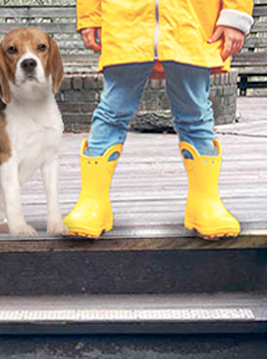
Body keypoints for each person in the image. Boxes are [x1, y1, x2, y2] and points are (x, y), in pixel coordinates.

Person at [63, 0, 254, 239]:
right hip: (126, 22)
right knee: (112, 112)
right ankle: (92, 203)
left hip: (192, 22)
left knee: (195, 113)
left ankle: (205, 203)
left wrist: (235, 16)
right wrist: (90, 16)